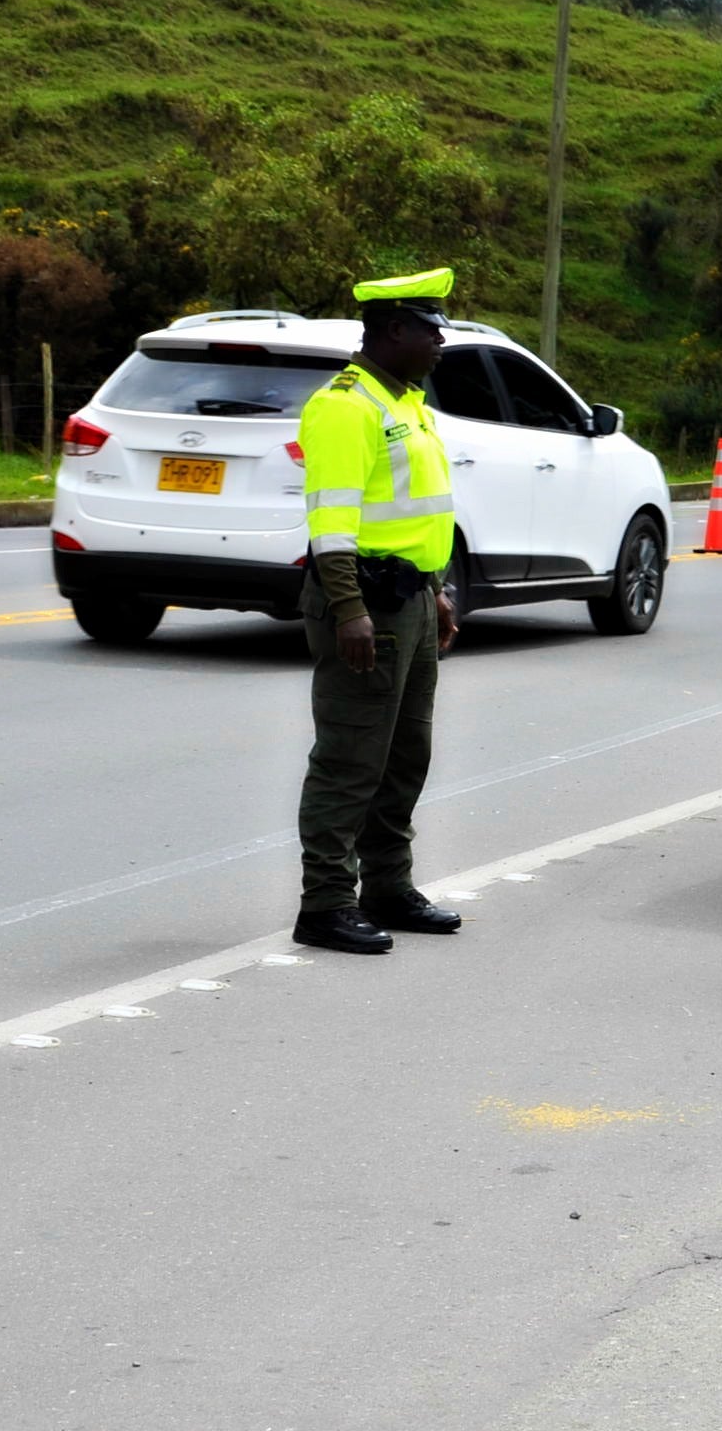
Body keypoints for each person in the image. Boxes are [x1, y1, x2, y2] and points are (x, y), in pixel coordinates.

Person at [292, 267, 464, 955]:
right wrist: (348, 609)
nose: (439, 345)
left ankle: (387, 887)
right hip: (364, 603)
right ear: (394, 330)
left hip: (411, 600)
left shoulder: (404, 401)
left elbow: (411, 515)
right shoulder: (346, 406)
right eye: (431, 332)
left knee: (402, 758)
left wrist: (437, 589)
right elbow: (330, 521)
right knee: (350, 758)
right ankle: (326, 902)